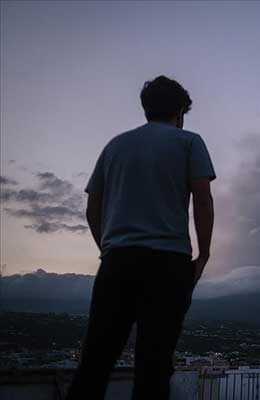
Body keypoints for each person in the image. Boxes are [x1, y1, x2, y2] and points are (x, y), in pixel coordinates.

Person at [66, 75, 216, 399]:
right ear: (180, 112)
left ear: (146, 108)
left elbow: (93, 208)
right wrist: (202, 257)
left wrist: (108, 248)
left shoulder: (115, 146)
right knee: (154, 364)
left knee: (96, 360)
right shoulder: (189, 142)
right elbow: (203, 200)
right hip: (169, 263)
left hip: (118, 261)